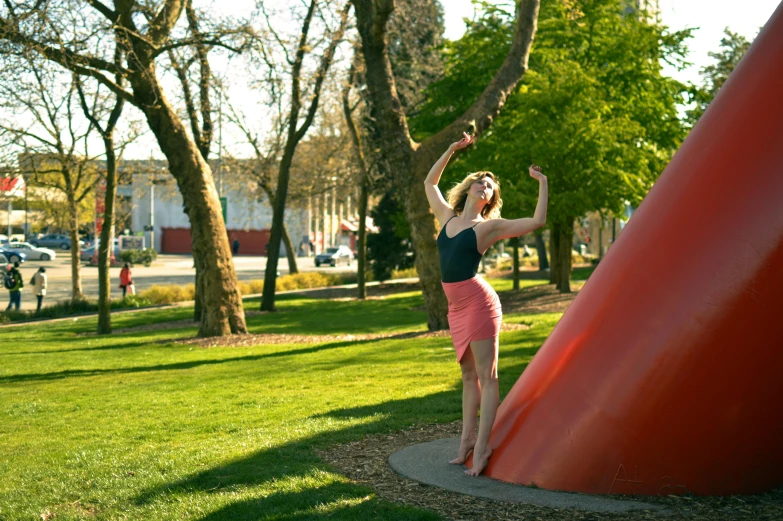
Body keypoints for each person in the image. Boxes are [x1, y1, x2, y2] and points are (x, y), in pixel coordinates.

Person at [424, 132, 548, 476]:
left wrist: (542, 183)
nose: (485, 186)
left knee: (487, 377)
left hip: (479, 304)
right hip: (456, 308)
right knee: (467, 376)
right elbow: (430, 182)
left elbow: (537, 222)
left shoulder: (488, 227)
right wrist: (450, 149)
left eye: (490, 186)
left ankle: (482, 447)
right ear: (468, 189)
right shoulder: (447, 218)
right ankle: (465, 441)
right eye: (480, 181)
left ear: (491, 198)